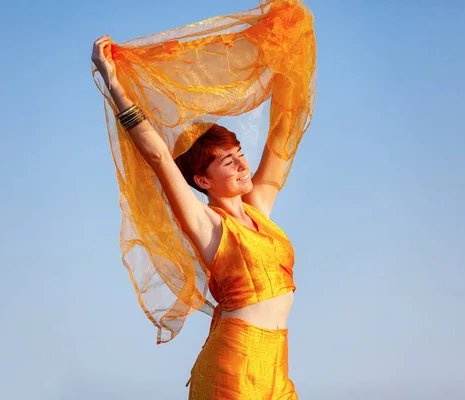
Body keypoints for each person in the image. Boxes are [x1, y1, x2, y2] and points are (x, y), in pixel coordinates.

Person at [91, 1, 315, 398]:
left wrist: (287, 55)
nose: (243, 166)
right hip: (236, 360)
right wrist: (115, 85)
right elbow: (159, 157)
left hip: (278, 362)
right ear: (201, 179)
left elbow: (281, 139)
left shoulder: (259, 207)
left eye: (240, 154)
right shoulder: (207, 224)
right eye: (229, 162)